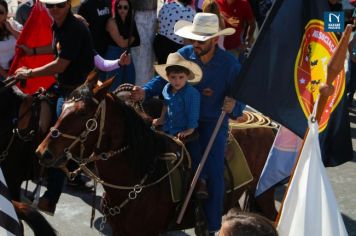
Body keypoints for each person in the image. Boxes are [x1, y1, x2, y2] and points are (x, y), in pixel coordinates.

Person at [14, 0, 130, 216]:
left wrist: (28, 73)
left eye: (59, 6)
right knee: (31, 118)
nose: (54, 10)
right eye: (50, 6)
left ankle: (50, 197)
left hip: (77, 93)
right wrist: (31, 50)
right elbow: (55, 50)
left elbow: (60, 64)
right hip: (61, 87)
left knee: (59, 137)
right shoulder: (58, 26)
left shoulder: (75, 29)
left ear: (68, 5)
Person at [131, 13, 244, 234]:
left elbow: (241, 95)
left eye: (201, 40)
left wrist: (235, 107)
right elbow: (163, 77)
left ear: (214, 39)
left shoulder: (230, 63)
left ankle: (213, 226)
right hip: (178, 119)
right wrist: (145, 91)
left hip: (212, 122)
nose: (196, 44)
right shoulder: (184, 54)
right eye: (193, 39)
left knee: (214, 169)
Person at [105, 0, 140, 90]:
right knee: (114, 84)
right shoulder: (111, 22)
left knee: (129, 83)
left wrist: (129, 39)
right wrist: (132, 37)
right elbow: (122, 43)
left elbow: (137, 40)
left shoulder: (130, 21)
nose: (122, 10)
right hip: (114, 55)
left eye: (125, 7)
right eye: (119, 7)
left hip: (127, 54)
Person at [129, 0, 157, 86]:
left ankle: (146, 89)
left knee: (148, 57)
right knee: (140, 56)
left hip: (150, 15)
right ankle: (140, 89)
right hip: (137, 14)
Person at [0, 0, 22, 79]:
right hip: (3, 73)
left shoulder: (13, 24)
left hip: (18, 68)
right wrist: (6, 76)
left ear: (6, 13)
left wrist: (11, 29)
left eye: (1, 12)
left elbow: (25, 40)